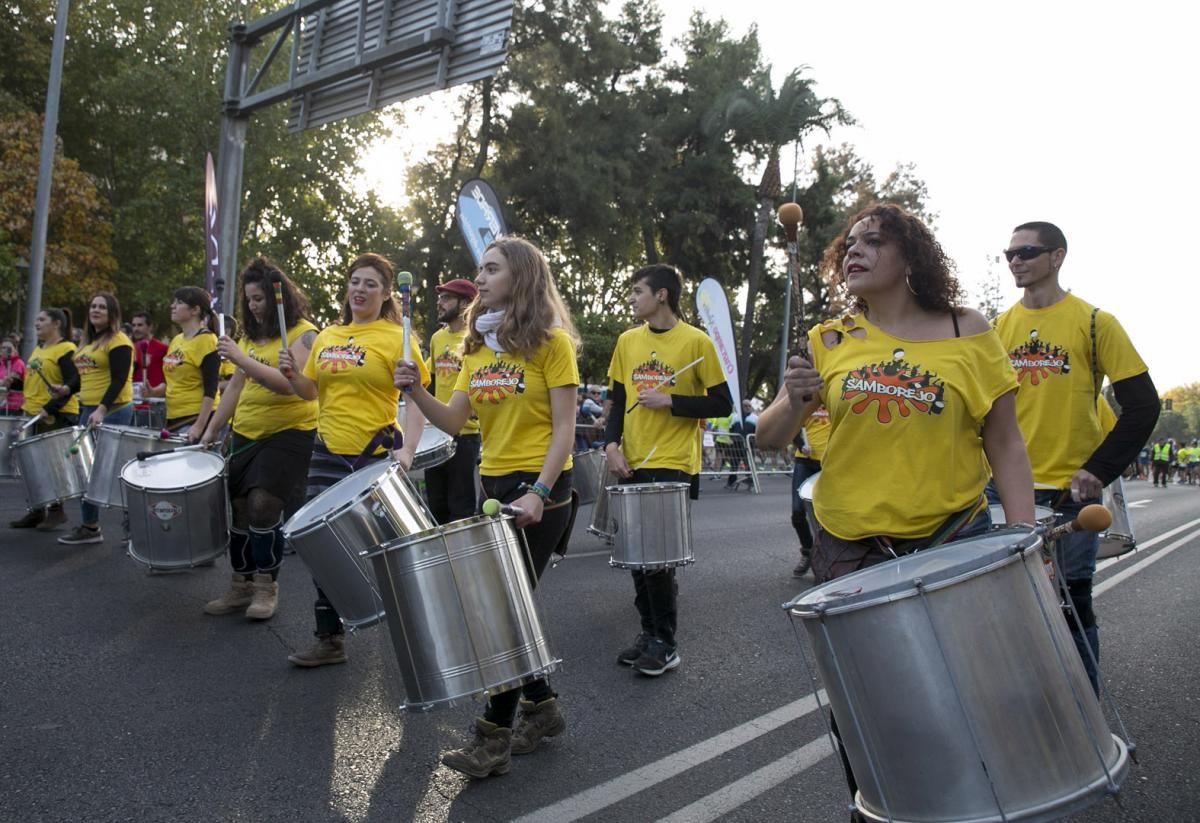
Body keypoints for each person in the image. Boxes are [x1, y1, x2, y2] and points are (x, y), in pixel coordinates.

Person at [756, 204, 1034, 819]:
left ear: (911, 257)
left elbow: (1006, 441)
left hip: (952, 538)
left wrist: (1023, 541)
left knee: (967, 696)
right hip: (849, 547)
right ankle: (878, 806)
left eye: (873, 241)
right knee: (864, 706)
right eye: (848, 243)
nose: (854, 251)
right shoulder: (829, 339)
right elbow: (769, 438)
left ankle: (970, 806)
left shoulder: (967, 330)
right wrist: (796, 402)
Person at [394, 236, 580, 778]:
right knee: (504, 608)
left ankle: (491, 738)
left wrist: (539, 493)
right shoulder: (475, 347)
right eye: (480, 268)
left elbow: (565, 430)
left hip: (544, 491)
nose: (479, 277)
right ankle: (542, 708)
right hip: (494, 485)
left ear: (519, 278)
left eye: (491, 269)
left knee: (497, 611)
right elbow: (453, 422)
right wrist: (416, 391)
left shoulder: (551, 344)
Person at [993, 220, 1159, 693]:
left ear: (1057, 256)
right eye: (1009, 254)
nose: (1016, 261)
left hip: (1069, 489)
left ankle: (1084, 709)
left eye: (1026, 251)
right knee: (1009, 602)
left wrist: (1098, 469)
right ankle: (1025, 704)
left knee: (1072, 601)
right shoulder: (1000, 326)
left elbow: (1143, 405)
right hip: (1005, 487)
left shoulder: (1094, 322)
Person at [280, 252, 427, 666]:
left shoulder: (398, 337)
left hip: (374, 456)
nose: (360, 290)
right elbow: (309, 393)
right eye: (355, 282)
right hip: (326, 451)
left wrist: (409, 450)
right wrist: (292, 373)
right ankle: (330, 639)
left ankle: (415, 637)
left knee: (389, 549)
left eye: (370, 284)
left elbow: (417, 399)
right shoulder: (328, 336)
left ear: (385, 295)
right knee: (322, 549)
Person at [602, 263, 731, 676]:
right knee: (638, 557)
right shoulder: (626, 341)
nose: (633, 297)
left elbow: (722, 404)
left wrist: (671, 401)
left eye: (639, 290)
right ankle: (648, 632)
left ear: (662, 295)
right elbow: (618, 401)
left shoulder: (696, 342)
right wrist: (610, 445)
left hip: (674, 461)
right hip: (633, 459)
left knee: (658, 559)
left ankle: (666, 642)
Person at [200, 258, 319, 620]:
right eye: (249, 299)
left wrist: (238, 356)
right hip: (246, 433)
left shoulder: (304, 333)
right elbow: (236, 386)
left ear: (276, 296)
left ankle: (267, 587)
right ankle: (241, 584)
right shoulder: (249, 338)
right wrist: (212, 428)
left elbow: (288, 386)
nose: (253, 306)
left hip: (288, 433)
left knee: (263, 505)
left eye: (260, 298)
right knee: (238, 507)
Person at [58, 292, 135, 546]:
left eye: (102, 307)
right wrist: (67, 389)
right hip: (88, 409)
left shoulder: (119, 340)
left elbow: (119, 379)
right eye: (93, 306)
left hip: (112, 410)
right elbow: (82, 376)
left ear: (112, 313)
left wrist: (102, 408)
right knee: (85, 470)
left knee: (115, 470)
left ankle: (134, 527)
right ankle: (90, 526)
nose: (96, 310)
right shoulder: (87, 342)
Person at [10, 308, 80, 530]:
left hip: (56, 414)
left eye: (41, 319)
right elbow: (38, 382)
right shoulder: (39, 349)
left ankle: (56, 511)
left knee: (52, 465)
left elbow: (72, 383)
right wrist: (14, 384)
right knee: (33, 466)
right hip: (33, 413)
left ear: (56, 323)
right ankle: (37, 509)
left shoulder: (67, 349)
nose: (36, 323)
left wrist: (49, 408)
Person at [423, 277, 482, 523]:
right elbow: (429, 379)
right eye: (440, 297)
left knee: (461, 511)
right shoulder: (437, 338)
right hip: (437, 436)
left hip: (465, 436)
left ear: (465, 303)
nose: (440, 303)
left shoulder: (477, 340)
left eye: (446, 298)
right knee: (436, 509)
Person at [144, 287, 220, 442]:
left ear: (195, 310)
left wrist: (199, 426)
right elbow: (170, 382)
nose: (172, 306)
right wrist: (153, 391)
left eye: (179, 303)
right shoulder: (177, 340)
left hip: (195, 419)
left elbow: (211, 390)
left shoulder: (207, 340)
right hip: (173, 418)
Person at [789, 404, 829, 578]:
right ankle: (808, 553)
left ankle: (828, 559)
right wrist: (800, 443)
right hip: (804, 461)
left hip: (829, 462)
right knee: (797, 513)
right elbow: (793, 426)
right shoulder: (807, 399)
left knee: (827, 516)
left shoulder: (836, 394)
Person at [1, 336, 25, 415]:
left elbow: (8, 382)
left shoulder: (18, 363)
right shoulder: (1, 363)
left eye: (9, 348)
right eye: (3, 347)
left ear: (14, 349)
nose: (6, 350)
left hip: (14, 405)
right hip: (2, 404)